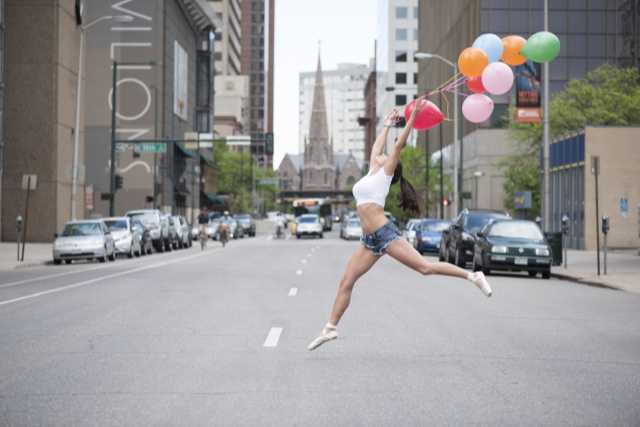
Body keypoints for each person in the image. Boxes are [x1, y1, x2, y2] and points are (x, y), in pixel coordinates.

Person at [307, 99, 493, 351]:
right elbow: (376, 147)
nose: (381, 155)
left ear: (391, 167)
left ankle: (472, 275)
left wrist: (413, 118)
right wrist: (386, 125)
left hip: (385, 233)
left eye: (385, 157)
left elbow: (398, 145)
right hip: (369, 240)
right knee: (346, 281)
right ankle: (330, 328)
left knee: (425, 268)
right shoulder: (374, 169)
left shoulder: (385, 173)